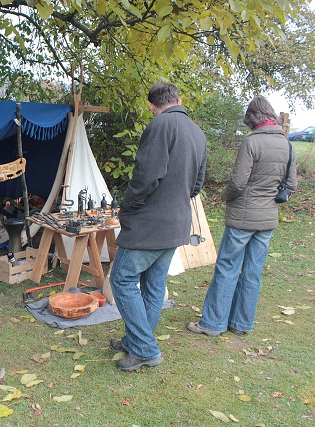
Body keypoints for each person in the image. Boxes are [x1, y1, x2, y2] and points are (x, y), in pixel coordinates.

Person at [108, 82, 207, 371]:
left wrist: (127, 207)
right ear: (178, 99)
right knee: (153, 285)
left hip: (150, 225)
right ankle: (137, 340)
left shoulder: (161, 126)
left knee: (122, 279)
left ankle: (146, 350)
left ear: (152, 105)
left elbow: (145, 177)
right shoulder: (197, 132)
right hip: (177, 223)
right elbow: (196, 185)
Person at [187, 96, 297, 337]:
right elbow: (291, 184)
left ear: (253, 119)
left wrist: (224, 195)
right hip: (267, 219)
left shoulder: (252, 143)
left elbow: (237, 183)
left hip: (243, 217)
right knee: (253, 272)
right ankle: (241, 323)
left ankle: (213, 323)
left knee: (227, 267)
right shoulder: (286, 144)